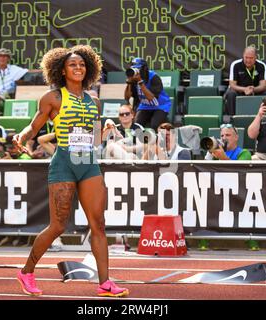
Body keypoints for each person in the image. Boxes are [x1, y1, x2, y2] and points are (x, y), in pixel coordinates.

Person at [13, 45, 129, 297]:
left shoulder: (94, 100)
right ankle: (27, 271)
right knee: (57, 226)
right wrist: (21, 136)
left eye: (82, 64)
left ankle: (105, 283)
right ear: (62, 70)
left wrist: (107, 128)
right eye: (72, 65)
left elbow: (95, 140)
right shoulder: (53, 98)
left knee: (98, 224)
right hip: (64, 162)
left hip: (88, 163)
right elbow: (34, 126)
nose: (78, 68)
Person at [202, 123, 257, 251]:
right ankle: (202, 238)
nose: (224, 138)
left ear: (236, 137)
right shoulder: (216, 153)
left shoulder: (244, 153)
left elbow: (239, 170)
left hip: (238, 192)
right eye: (222, 135)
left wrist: (223, 158)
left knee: (246, 207)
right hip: (216, 191)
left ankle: (251, 240)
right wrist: (210, 154)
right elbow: (203, 169)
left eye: (228, 135)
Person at [124, 57, 171, 131]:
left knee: (155, 125)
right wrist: (129, 82)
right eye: (134, 69)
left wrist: (140, 82)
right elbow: (127, 97)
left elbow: (151, 97)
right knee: (136, 126)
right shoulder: (134, 78)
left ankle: (156, 141)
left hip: (160, 105)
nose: (137, 71)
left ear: (144, 69)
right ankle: (139, 142)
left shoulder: (154, 77)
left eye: (138, 69)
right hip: (145, 106)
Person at [224, 46, 266, 115]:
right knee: (231, 94)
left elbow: (263, 85)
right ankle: (231, 118)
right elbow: (232, 85)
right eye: (246, 57)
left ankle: (265, 118)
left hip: (255, 90)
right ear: (243, 56)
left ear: (255, 57)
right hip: (239, 90)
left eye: (251, 58)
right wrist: (244, 89)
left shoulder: (261, 65)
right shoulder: (235, 65)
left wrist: (253, 89)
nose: (248, 60)